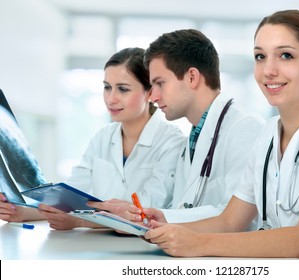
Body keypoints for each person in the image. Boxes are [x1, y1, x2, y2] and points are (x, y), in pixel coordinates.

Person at [143, 10, 299, 259]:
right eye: (260, 56)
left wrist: (198, 243)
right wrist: (164, 227)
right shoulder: (267, 134)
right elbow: (229, 223)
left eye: (285, 55)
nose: (268, 70)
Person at [89, 29, 265, 225]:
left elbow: (238, 216)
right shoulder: (192, 139)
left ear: (192, 77)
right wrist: (139, 216)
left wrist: (165, 218)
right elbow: (182, 207)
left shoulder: (244, 128)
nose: (153, 96)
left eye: (160, 83)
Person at [0, 47, 185, 229]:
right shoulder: (102, 138)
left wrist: (81, 221)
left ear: (150, 93)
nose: (111, 99)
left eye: (123, 89)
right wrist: (24, 212)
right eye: (107, 87)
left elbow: (145, 212)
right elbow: (71, 195)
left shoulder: (171, 142)